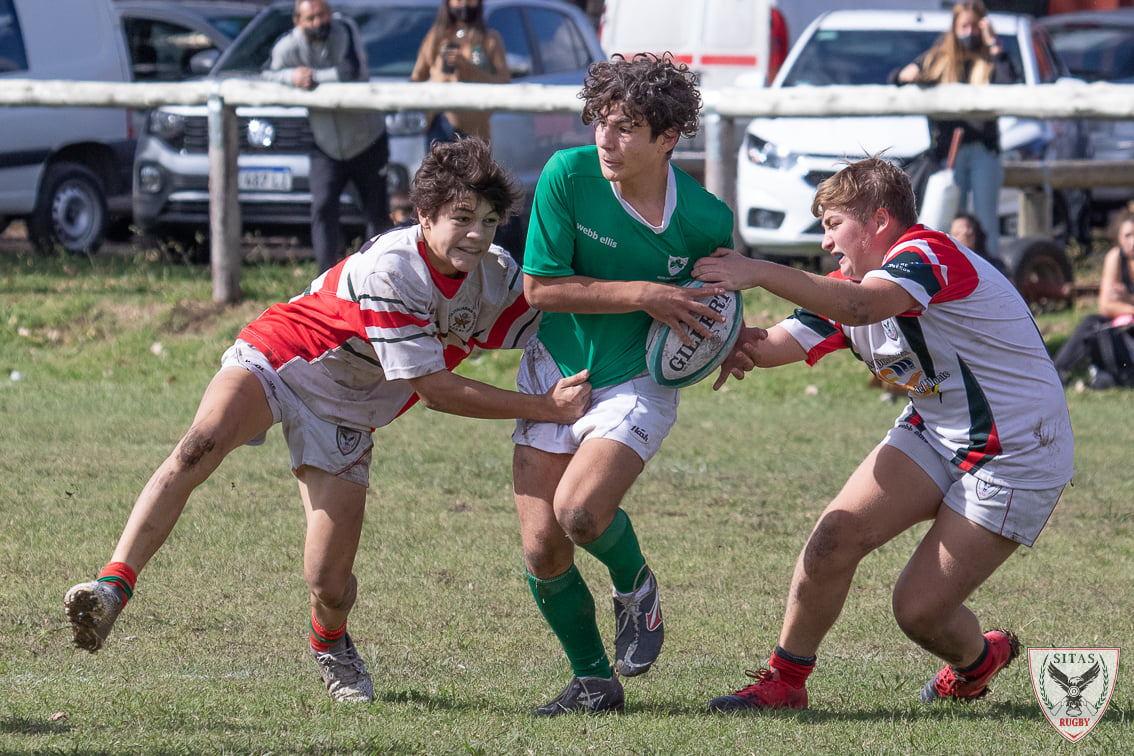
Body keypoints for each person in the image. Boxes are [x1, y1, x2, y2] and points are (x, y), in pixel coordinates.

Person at [63, 138, 592, 705]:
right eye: (461, 218)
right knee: (200, 444)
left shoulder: (494, 278)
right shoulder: (395, 268)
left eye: (488, 221)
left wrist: (665, 306)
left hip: (348, 410)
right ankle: (113, 585)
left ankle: (330, 640)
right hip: (285, 357)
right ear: (423, 217)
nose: (476, 234)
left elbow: (564, 313)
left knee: (329, 585)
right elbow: (435, 391)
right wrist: (543, 408)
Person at [693, 156, 1073, 712]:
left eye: (832, 224)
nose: (825, 242)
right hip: (937, 428)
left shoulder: (926, 254)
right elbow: (777, 343)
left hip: (1014, 452)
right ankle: (784, 683)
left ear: (878, 221)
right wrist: (718, 339)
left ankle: (978, 659)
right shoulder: (852, 285)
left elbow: (859, 306)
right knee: (832, 537)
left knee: (918, 611)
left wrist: (757, 269)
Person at [511, 52, 757, 716]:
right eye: (600, 122)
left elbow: (719, 298)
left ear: (668, 137)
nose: (606, 140)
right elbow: (542, 288)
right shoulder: (569, 175)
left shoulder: (704, 219)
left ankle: (634, 584)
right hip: (554, 370)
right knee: (541, 546)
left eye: (625, 128)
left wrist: (726, 340)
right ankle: (594, 681)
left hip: (637, 380)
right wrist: (647, 293)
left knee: (582, 512)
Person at [263, 0, 390, 272]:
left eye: (322, 15)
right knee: (321, 208)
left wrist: (313, 78)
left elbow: (352, 72)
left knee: (376, 213)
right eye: (310, 18)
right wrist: (292, 77)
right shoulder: (288, 45)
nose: (318, 22)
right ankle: (326, 279)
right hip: (325, 144)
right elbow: (267, 74)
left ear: (330, 13)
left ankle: (378, 274)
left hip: (367, 138)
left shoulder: (345, 28)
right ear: (297, 21)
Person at [894, 1, 1016, 260]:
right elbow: (899, 76)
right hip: (949, 153)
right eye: (964, 26)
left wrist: (993, 43)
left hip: (984, 150)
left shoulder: (990, 60)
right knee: (950, 221)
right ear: (954, 27)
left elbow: (1008, 84)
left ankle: (990, 275)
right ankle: (945, 274)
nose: (969, 32)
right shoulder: (938, 59)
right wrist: (908, 75)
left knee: (985, 221)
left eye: (975, 26)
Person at [1053, 207, 1134, 387]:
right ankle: (1056, 371)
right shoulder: (1115, 257)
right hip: (1122, 324)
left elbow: (1112, 305)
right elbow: (1105, 306)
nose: (1132, 242)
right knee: (1091, 322)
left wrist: (1126, 299)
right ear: (1119, 239)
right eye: (1128, 236)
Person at [410, 0, 509, 144]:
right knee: (438, 165)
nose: (464, 5)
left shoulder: (489, 39)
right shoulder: (437, 37)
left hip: (473, 128)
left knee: (472, 165)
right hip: (438, 122)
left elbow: (504, 82)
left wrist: (468, 69)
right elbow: (417, 77)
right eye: (458, 1)